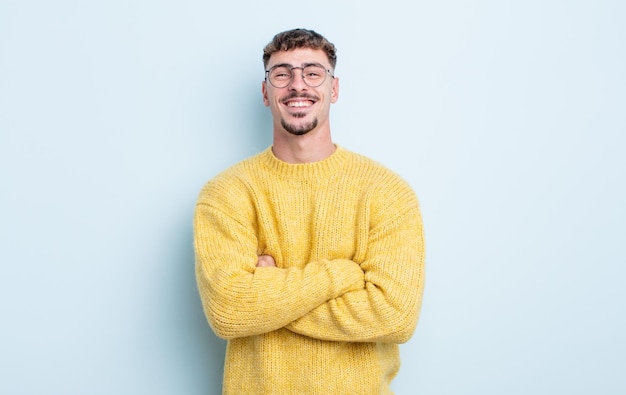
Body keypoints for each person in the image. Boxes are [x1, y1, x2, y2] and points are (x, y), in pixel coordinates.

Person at [194, 28, 425, 395]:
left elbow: (395, 316)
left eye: (313, 72)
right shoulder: (227, 194)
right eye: (282, 73)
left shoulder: (386, 192)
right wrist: (343, 275)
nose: (297, 85)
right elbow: (229, 310)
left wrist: (268, 295)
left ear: (333, 89)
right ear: (266, 92)